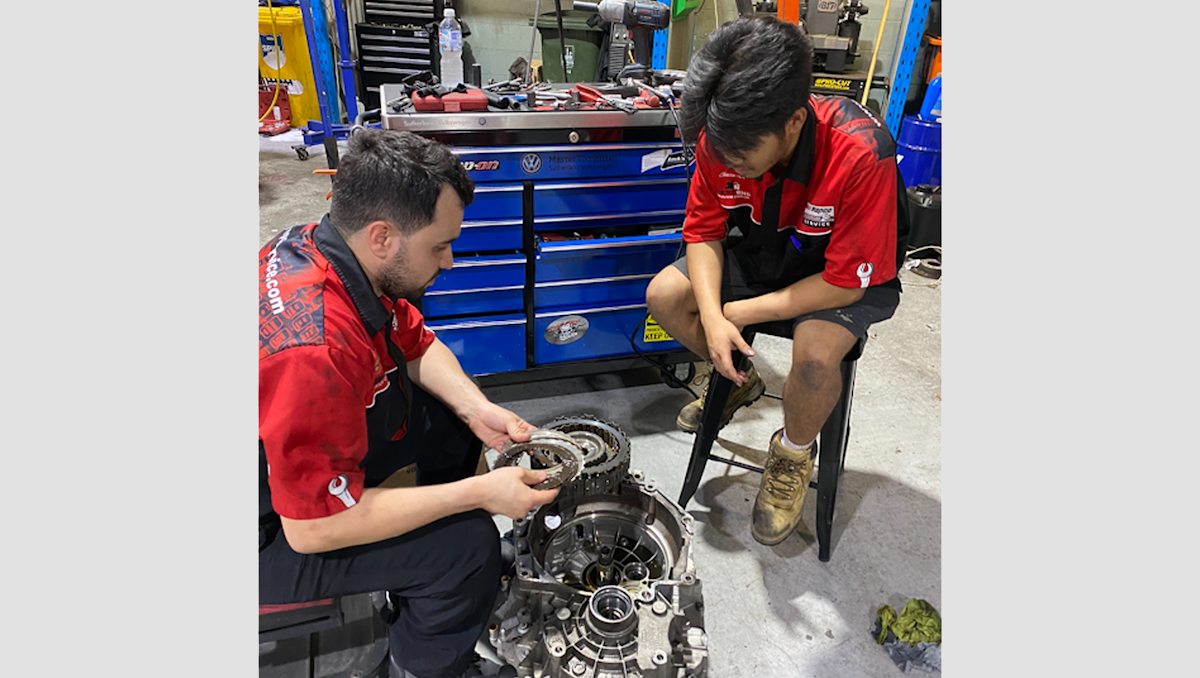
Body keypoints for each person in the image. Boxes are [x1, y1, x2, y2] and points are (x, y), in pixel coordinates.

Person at [259, 128, 558, 678]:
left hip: (297, 459)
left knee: (451, 422)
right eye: (439, 246)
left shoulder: (325, 248)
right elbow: (311, 528)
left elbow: (416, 342)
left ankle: (422, 574)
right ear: (382, 236)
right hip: (273, 534)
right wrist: (476, 495)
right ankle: (424, 664)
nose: (448, 262)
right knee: (466, 547)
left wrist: (476, 409)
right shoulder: (314, 350)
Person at [646, 15, 909, 546]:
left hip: (846, 273)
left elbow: (844, 285)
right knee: (666, 296)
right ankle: (742, 383)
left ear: (793, 122)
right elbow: (702, 233)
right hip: (770, 247)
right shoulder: (724, 137)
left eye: (740, 156)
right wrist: (712, 320)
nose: (726, 163)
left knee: (813, 360)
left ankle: (791, 451)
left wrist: (729, 316)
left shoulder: (860, 152)